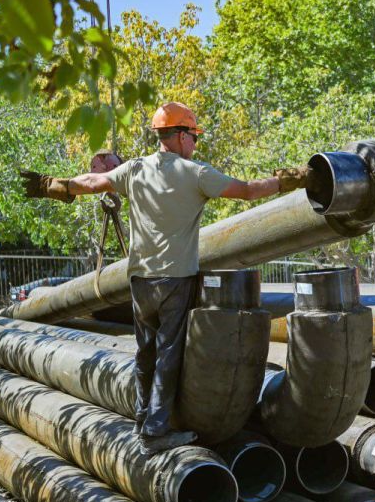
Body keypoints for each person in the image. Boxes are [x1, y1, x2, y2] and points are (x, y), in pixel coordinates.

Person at [21, 102, 309, 454]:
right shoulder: (196, 173)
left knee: (146, 353)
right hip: (175, 280)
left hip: (140, 281)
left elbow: (94, 182)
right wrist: (289, 180)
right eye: (195, 137)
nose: (196, 144)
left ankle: (143, 418)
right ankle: (156, 432)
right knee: (169, 355)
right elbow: (249, 190)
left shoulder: (135, 169)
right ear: (182, 135)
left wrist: (53, 185)